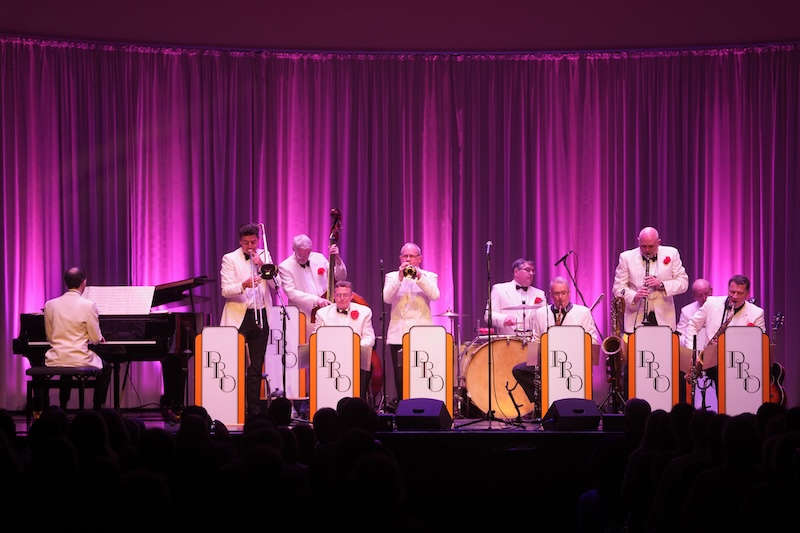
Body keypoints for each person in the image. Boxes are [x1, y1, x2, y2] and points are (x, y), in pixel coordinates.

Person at [512, 277, 601, 411]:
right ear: (551, 295)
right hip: (548, 362)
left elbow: (592, 340)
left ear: (569, 293)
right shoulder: (541, 313)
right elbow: (535, 340)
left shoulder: (583, 312)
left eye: (563, 293)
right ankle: (541, 401)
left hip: (573, 363)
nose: (560, 297)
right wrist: (533, 361)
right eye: (557, 294)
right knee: (519, 370)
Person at [220, 223, 275, 417]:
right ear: (240, 242)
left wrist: (262, 265)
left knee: (256, 364)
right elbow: (225, 290)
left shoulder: (265, 256)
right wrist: (243, 285)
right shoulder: (230, 258)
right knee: (233, 362)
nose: (250, 247)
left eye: (253, 242)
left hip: (261, 314)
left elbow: (278, 287)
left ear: (258, 240)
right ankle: (231, 405)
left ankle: (253, 409)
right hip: (239, 316)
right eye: (245, 243)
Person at [44, 267, 111, 409]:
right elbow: (94, 338)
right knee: (107, 368)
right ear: (83, 282)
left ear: (65, 283)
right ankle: (97, 409)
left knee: (65, 367)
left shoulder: (50, 305)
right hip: (79, 357)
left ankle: (62, 407)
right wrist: (99, 337)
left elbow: (50, 337)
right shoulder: (88, 305)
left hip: (56, 357)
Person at [383, 242, 440, 403]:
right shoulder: (392, 276)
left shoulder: (429, 276)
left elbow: (435, 295)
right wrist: (400, 279)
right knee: (400, 376)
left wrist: (419, 277)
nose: (408, 259)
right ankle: (403, 409)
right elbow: (386, 298)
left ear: (419, 259)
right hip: (397, 334)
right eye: (405, 256)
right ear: (400, 258)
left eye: (412, 256)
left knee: (420, 373)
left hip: (421, 334)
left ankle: (422, 407)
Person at [612, 226, 689, 332]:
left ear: (659, 242)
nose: (647, 250)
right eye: (643, 246)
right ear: (638, 241)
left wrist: (662, 285)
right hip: (636, 319)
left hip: (664, 319)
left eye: (651, 246)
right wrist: (634, 296)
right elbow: (618, 288)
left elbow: (683, 283)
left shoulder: (671, 253)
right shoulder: (626, 257)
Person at [314, 281, 375, 399]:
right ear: (333, 296)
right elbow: (316, 338)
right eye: (338, 295)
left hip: (355, 356)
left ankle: (358, 402)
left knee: (366, 365)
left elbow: (370, 337)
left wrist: (355, 347)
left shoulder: (364, 312)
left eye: (345, 295)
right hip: (331, 358)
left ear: (351, 296)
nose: (341, 299)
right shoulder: (322, 313)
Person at [686, 275, 766, 363]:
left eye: (739, 293)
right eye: (732, 292)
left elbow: (760, 343)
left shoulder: (757, 313)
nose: (735, 296)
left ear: (747, 294)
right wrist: (692, 351)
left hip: (739, 362)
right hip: (710, 361)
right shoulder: (711, 303)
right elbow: (692, 325)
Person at [278, 233, 347, 328]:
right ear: (293, 249)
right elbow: (291, 293)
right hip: (303, 315)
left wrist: (337, 259)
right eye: (301, 255)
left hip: (325, 311)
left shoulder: (319, 258)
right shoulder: (285, 267)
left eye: (307, 254)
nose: (305, 258)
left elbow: (340, 277)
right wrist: (316, 300)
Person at [485, 258, 546, 335]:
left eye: (533, 271)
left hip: (533, 343)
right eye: (527, 270)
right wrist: (504, 319)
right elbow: (488, 315)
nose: (531, 273)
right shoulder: (499, 289)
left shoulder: (539, 293)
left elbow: (545, 317)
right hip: (508, 342)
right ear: (516, 272)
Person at [677, 278, 713, 349]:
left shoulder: (721, 307)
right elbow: (680, 336)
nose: (704, 298)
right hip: (693, 348)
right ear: (694, 296)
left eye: (706, 293)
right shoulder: (686, 311)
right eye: (700, 295)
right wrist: (694, 342)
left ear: (711, 291)